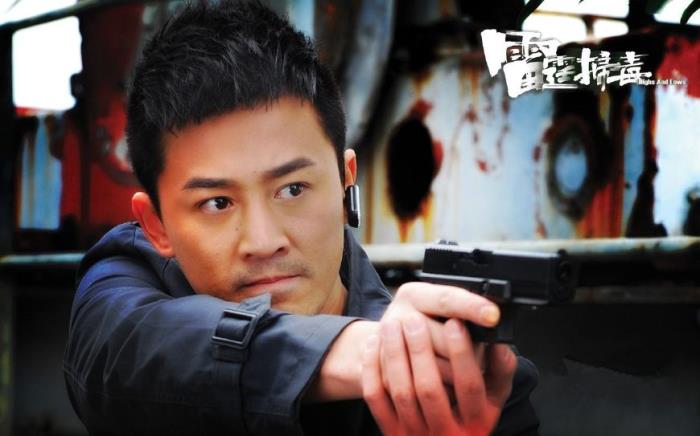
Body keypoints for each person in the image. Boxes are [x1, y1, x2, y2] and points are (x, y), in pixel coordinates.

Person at [63, 1, 540, 434]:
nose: (263, 240)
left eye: (292, 189)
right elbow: (118, 350)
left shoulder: (465, 381)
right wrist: (363, 354)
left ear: (345, 183)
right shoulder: (129, 278)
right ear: (157, 226)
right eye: (217, 203)